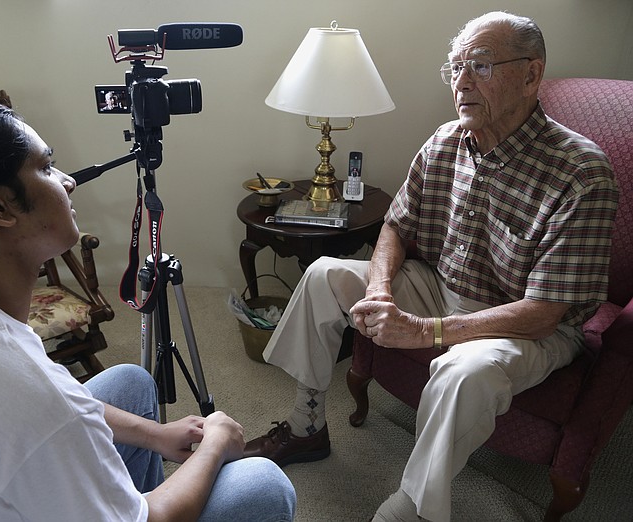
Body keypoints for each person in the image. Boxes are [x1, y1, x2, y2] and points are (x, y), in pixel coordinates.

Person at [243, 11, 618, 522]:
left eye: (481, 66)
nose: (461, 83)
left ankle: (416, 506)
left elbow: (545, 312)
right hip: (442, 288)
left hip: (528, 327)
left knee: (462, 371)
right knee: (324, 274)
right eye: (456, 68)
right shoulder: (445, 141)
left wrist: (425, 331)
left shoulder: (581, 171)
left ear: (532, 75)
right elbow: (396, 225)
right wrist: (378, 290)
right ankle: (307, 424)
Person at [0, 99, 296, 521]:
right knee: (262, 485)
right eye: (45, 166)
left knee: (132, 383)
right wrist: (216, 443)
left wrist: (157, 435)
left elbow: (57, 406)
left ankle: (112, 492)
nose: (67, 179)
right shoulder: (23, 397)